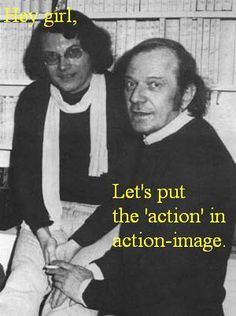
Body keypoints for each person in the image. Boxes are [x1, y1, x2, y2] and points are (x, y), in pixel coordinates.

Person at [47, 38, 236, 316]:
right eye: (130, 83)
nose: (136, 97)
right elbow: (143, 241)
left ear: (186, 95)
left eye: (154, 84)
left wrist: (86, 289)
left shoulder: (197, 163)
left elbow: (166, 286)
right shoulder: (167, 139)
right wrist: (92, 270)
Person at [0, 9, 129, 316]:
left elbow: (130, 190)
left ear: (93, 52)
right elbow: (24, 178)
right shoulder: (33, 97)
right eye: (50, 57)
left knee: (68, 308)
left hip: (103, 223)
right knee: (17, 293)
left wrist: (71, 249)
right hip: (45, 219)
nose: (62, 65)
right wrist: (44, 235)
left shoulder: (121, 96)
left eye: (73, 52)